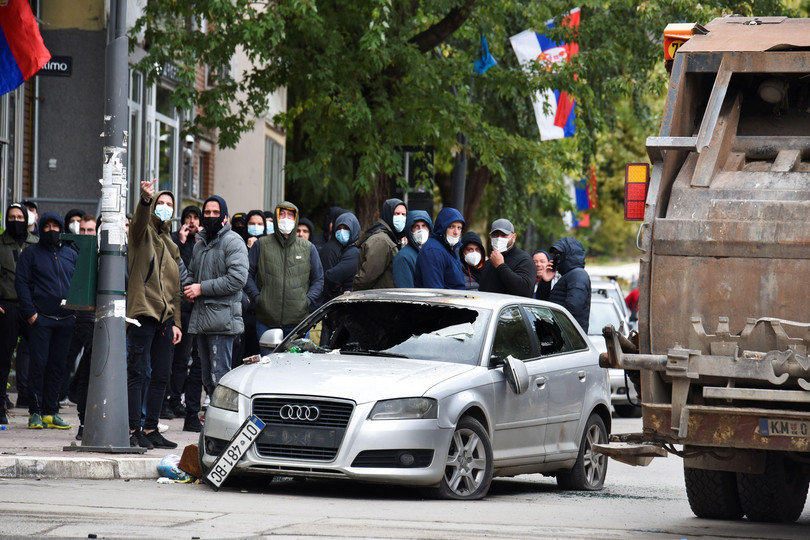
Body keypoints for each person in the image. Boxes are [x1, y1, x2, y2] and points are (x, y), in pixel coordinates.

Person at [125, 179, 183, 450]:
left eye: (169, 205)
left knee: (161, 374)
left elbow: (177, 290)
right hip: (142, 311)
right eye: (161, 202)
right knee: (137, 371)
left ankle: (151, 428)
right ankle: (133, 429)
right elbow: (138, 222)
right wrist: (145, 200)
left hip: (165, 317)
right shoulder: (141, 233)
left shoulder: (172, 245)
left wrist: (177, 322)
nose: (164, 207)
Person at [15, 212, 77, 430]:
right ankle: (36, 412)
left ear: (62, 228)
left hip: (66, 319)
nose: (52, 230)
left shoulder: (70, 254)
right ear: (41, 229)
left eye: (56, 226)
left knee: (58, 366)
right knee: (38, 365)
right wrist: (30, 313)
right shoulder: (30, 254)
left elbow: (78, 282)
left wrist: (76, 312)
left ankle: (51, 412)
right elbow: (21, 283)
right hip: (41, 319)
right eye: (47, 226)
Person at [185, 195, 249, 397]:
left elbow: (237, 279)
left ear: (224, 216)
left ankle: (224, 425)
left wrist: (201, 288)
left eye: (215, 212)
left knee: (220, 378)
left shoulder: (233, 241)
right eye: (207, 212)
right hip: (202, 318)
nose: (211, 216)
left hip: (223, 321)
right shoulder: (199, 244)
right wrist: (188, 289)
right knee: (207, 379)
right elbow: (192, 274)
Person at [246, 201, 324, 346]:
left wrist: (305, 301)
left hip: (298, 323)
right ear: (276, 217)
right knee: (268, 365)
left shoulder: (308, 248)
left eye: (290, 215)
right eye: (282, 214)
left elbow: (318, 280)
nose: (285, 218)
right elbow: (247, 274)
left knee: (295, 366)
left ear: (296, 219)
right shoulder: (261, 245)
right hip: (266, 321)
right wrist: (258, 298)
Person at [0, 203, 38, 424]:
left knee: (37, 358)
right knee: (4, 359)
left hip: (32, 308)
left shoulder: (35, 243)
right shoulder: (2, 244)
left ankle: (36, 407)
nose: (16, 221)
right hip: (8, 307)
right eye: (12, 217)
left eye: (20, 217)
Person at [167, 204, 203, 430]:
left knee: (185, 361)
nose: (191, 222)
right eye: (187, 218)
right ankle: (167, 401)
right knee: (174, 357)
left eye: (195, 218)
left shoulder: (201, 244)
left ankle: (176, 400)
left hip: (194, 308)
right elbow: (178, 267)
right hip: (177, 307)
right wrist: (181, 241)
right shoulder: (174, 241)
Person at [65, 214, 98, 439]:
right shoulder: (72, 254)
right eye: (83, 230)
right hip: (83, 317)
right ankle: (84, 419)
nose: (86, 234)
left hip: (104, 316)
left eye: (90, 231)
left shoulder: (104, 254)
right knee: (87, 364)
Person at [353, 198, 406, 290]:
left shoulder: (390, 238)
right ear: (388, 214)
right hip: (378, 298)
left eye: (403, 214)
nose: (400, 218)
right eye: (397, 214)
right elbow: (366, 278)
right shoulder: (382, 241)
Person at [543, 237, 592, 332]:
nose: (556, 257)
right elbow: (542, 304)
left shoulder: (578, 275)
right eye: (555, 254)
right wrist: (546, 281)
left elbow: (572, 308)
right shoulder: (568, 276)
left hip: (569, 339)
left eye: (559, 254)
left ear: (570, 255)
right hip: (561, 336)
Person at [478, 218, 535, 298]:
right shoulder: (488, 263)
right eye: (495, 235)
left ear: (514, 237)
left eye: (504, 235)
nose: (499, 238)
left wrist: (501, 266)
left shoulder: (524, 260)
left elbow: (525, 291)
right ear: (490, 237)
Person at [414, 207, 465, 290]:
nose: (456, 232)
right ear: (442, 227)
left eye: (459, 228)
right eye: (451, 227)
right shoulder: (433, 251)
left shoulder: (449, 248)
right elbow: (435, 291)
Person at [322, 211, 361, 304]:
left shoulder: (354, 252)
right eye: (339, 228)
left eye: (346, 228)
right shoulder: (342, 249)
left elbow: (332, 277)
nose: (342, 232)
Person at [392, 210, 432, 288]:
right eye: (416, 226)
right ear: (410, 230)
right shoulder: (403, 257)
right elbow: (405, 291)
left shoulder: (431, 253)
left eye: (424, 225)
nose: (421, 230)